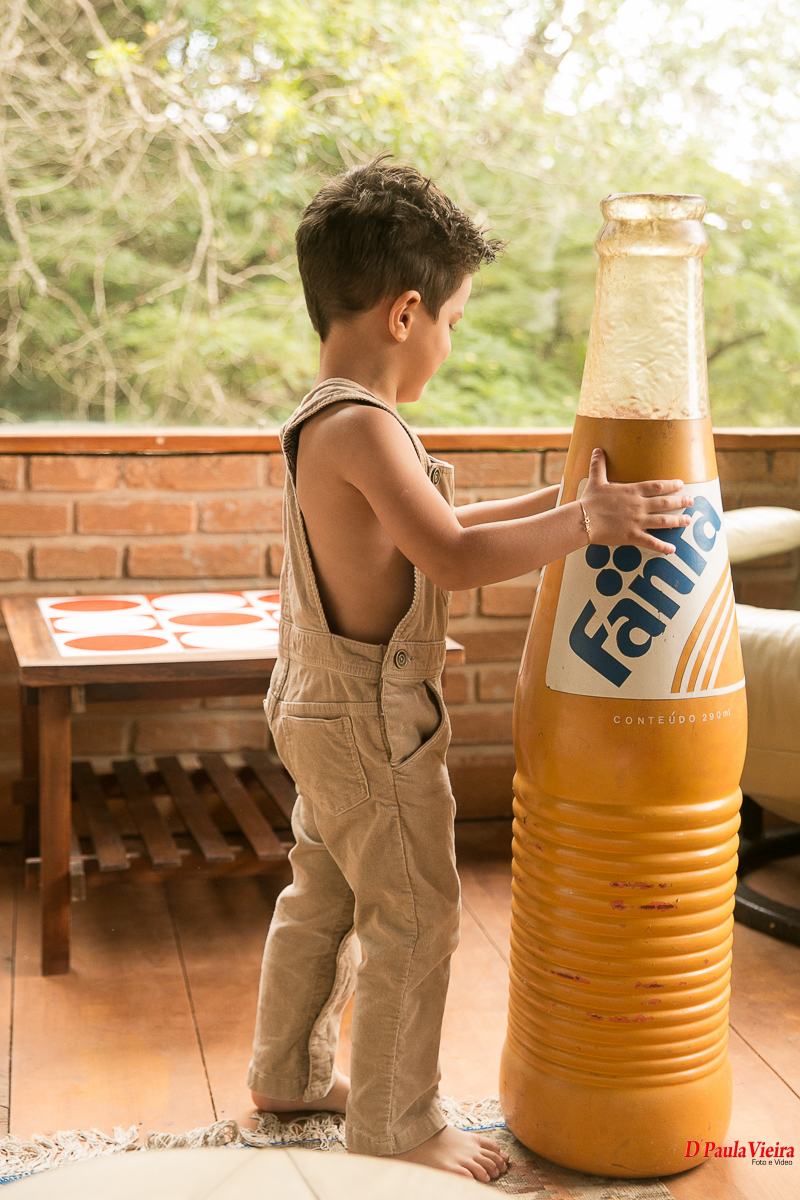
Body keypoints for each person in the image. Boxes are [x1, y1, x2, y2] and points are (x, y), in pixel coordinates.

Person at [247, 157, 695, 1182]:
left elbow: (435, 526)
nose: (449, 340)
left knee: (322, 895)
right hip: (369, 719)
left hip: (320, 705)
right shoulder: (364, 425)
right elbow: (449, 557)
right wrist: (583, 524)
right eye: (451, 319)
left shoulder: (332, 417)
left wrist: (564, 500)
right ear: (405, 313)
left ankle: (288, 1075)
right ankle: (397, 1124)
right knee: (415, 914)